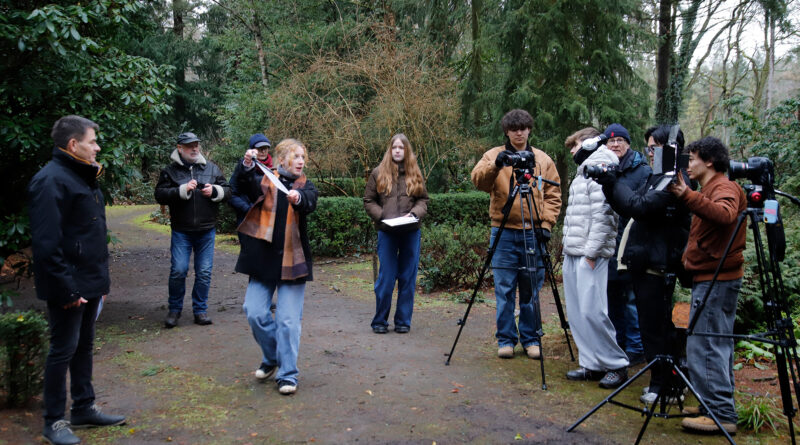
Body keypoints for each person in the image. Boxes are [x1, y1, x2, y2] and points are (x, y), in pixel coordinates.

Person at [28, 115, 125, 445]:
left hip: (89, 282)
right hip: (68, 285)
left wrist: (100, 286)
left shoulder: (83, 177)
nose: (97, 146)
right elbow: (46, 244)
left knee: (83, 347)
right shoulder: (51, 181)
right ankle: (53, 421)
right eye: (92, 141)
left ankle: (83, 407)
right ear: (73, 144)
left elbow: (90, 234)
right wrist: (66, 288)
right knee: (62, 350)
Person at [599, 125, 692, 402]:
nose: (650, 153)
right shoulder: (657, 176)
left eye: (654, 148)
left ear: (670, 148)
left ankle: (666, 386)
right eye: (648, 148)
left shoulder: (675, 180)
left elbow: (639, 206)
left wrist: (614, 181)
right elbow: (629, 206)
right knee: (651, 325)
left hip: (659, 262)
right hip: (647, 261)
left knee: (657, 327)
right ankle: (660, 382)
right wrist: (609, 185)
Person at [668, 137, 746, 434]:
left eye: (692, 159)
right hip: (711, 276)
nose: (688, 165)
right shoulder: (711, 188)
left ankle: (720, 414)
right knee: (710, 341)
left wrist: (686, 195)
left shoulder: (724, 187)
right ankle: (709, 403)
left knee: (708, 343)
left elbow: (725, 215)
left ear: (709, 161)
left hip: (717, 278)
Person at [471, 109, 562, 359]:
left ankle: (531, 338)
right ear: (507, 132)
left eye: (523, 128)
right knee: (504, 287)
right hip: (503, 232)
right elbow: (478, 181)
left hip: (533, 231)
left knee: (531, 288)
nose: (519, 132)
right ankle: (506, 339)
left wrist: (546, 225)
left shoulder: (542, 159)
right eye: (514, 129)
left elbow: (554, 195)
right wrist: (496, 164)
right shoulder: (493, 155)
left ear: (529, 129)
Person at [236, 138, 318, 395]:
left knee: (288, 321)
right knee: (254, 311)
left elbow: (310, 201)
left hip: (293, 262)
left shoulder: (306, 186)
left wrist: (298, 198)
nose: (301, 161)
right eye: (295, 157)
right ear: (282, 160)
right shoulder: (264, 179)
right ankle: (272, 357)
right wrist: (246, 165)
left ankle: (287, 374)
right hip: (263, 260)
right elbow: (238, 187)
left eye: (303, 157)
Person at [561, 127, 629, 388]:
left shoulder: (602, 168)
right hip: (574, 252)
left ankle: (616, 365)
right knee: (578, 312)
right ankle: (591, 364)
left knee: (593, 310)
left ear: (590, 143)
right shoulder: (582, 173)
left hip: (590, 255)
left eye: (575, 144)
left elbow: (604, 217)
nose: (572, 150)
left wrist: (592, 253)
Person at [154, 132, 230, 328]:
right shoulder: (170, 171)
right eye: (190, 146)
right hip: (182, 230)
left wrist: (215, 191)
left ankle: (200, 311)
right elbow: (160, 194)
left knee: (204, 272)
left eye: (196, 145)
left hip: (206, 230)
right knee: (179, 271)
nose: (195, 148)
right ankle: (174, 310)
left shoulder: (211, 168)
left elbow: (228, 190)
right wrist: (182, 190)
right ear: (180, 148)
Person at [363, 134, 429, 334]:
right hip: (387, 233)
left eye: (401, 147)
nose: (398, 150)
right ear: (390, 150)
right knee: (387, 277)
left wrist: (415, 214)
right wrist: (381, 215)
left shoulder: (415, 173)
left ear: (406, 150)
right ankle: (379, 321)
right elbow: (368, 200)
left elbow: (423, 200)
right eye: (395, 147)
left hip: (410, 232)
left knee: (408, 277)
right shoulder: (378, 173)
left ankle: (403, 321)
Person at [602, 123, 650, 366]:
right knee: (612, 301)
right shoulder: (603, 167)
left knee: (631, 300)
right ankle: (617, 345)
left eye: (620, 140)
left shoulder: (641, 170)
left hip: (631, 243)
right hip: (608, 245)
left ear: (628, 143)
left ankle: (635, 348)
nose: (616, 145)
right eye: (611, 141)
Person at [229, 133, 273, 226]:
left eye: (266, 148)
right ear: (253, 150)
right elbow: (231, 194)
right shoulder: (243, 168)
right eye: (260, 148)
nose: (263, 151)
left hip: (269, 220)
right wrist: (248, 209)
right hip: (247, 220)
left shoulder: (274, 169)